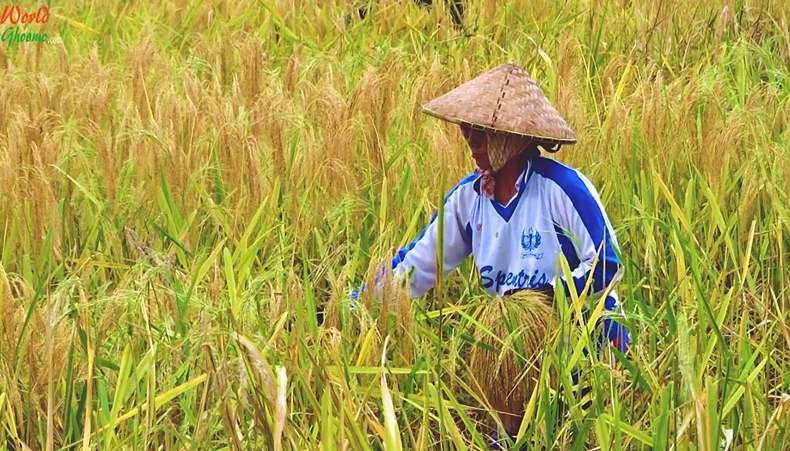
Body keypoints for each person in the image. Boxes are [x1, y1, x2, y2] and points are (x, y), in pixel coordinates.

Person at [388, 63, 631, 352]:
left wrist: (541, 297)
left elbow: (607, 267)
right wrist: (356, 303)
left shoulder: (561, 188)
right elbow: (415, 268)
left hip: (590, 345)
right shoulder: (469, 199)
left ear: (514, 135)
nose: (470, 138)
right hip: (521, 350)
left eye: (483, 130)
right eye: (467, 127)